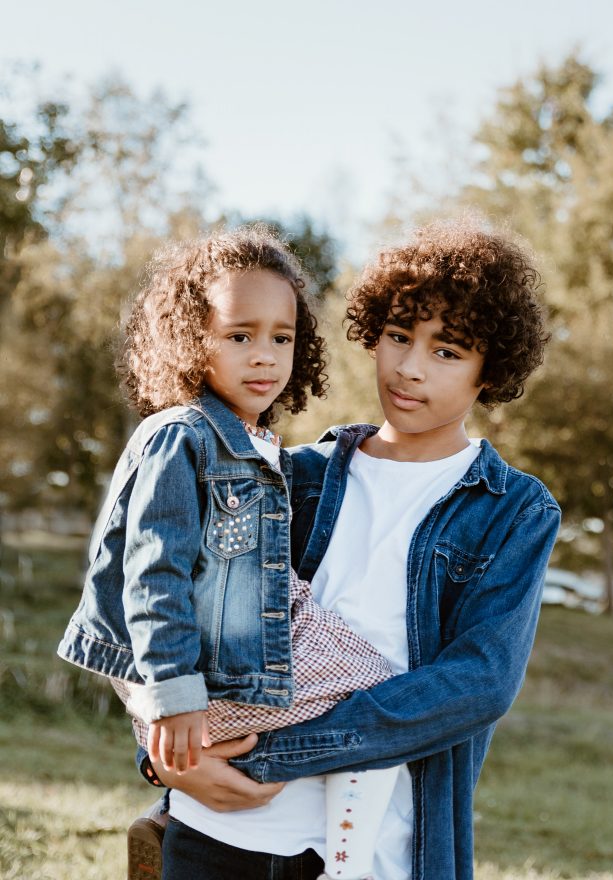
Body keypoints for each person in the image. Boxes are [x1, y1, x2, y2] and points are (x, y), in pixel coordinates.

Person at [148, 217, 562, 880]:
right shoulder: (289, 475)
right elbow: (160, 600)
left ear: (491, 369)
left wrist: (273, 752)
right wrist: (168, 754)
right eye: (398, 337)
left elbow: (479, 682)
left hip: (372, 845)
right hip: (217, 827)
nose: (407, 367)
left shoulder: (513, 509)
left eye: (446, 351)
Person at [57, 226, 403, 880]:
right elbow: (154, 575)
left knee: (368, 689)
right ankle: (350, 863)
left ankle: (173, 824)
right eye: (239, 335)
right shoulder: (181, 437)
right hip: (207, 679)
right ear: (191, 339)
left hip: (228, 663)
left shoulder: (256, 440)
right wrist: (173, 696)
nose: (264, 356)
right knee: (382, 693)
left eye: (281, 337)